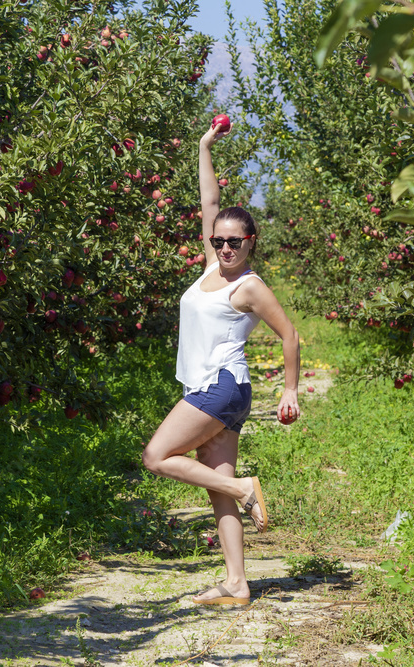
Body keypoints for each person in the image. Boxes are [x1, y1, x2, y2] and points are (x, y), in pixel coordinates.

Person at [141, 117, 301, 606]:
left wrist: (291, 389)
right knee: (219, 491)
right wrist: (205, 144)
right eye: (219, 241)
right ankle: (236, 583)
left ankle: (247, 485)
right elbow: (209, 201)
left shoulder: (248, 285)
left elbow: (290, 335)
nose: (225, 247)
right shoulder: (212, 266)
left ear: (250, 242)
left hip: (221, 386)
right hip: (215, 389)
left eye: (235, 241)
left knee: (156, 457)